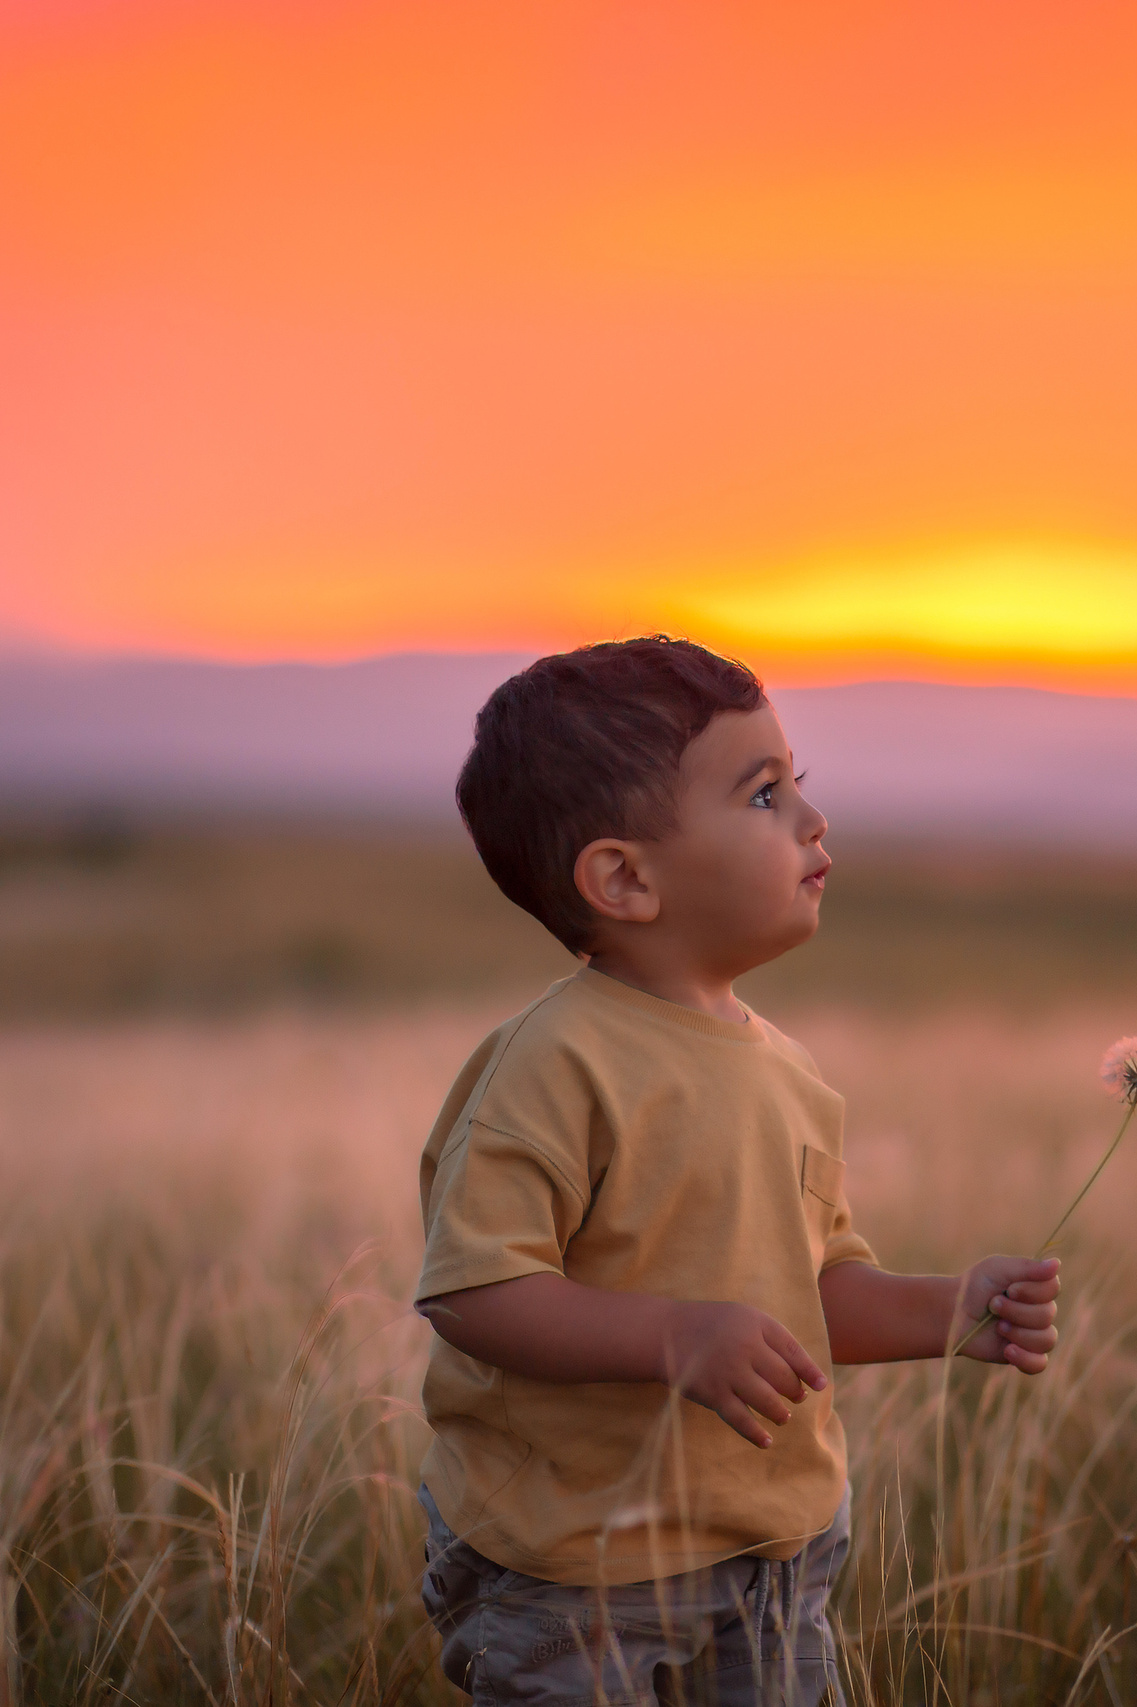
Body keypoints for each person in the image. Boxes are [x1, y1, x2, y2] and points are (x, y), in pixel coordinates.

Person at [414, 636, 1062, 1705]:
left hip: (771, 1553)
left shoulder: (792, 1074)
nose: (812, 819)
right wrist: (675, 1337)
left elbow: (810, 1303)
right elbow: (476, 1290)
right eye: (763, 795)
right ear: (624, 877)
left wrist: (952, 1311)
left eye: (799, 783)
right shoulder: (554, 1063)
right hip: (575, 1570)